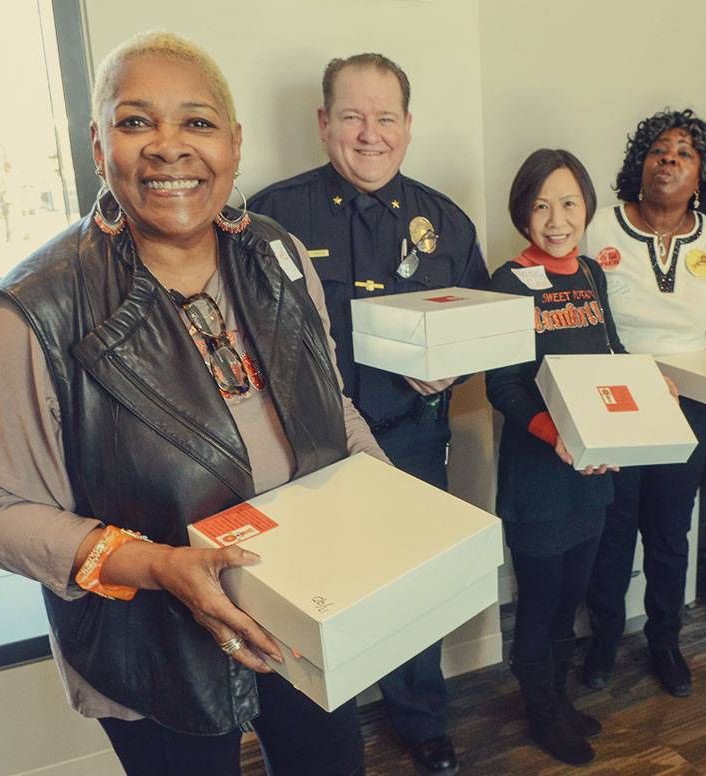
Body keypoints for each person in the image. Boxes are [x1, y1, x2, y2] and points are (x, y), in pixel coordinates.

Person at [0, 32, 376, 775]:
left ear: (234, 145)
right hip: (153, 650)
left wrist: (388, 509)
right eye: (136, 121)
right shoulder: (38, 307)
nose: (169, 148)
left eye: (198, 123)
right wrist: (153, 565)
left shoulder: (279, 255)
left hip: (307, 608)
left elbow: (332, 408)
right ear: (97, 143)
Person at [249, 53, 487, 776]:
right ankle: (322, 734)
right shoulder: (267, 218)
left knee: (407, 592)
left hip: (412, 444)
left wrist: (453, 365)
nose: (369, 133)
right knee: (314, 599)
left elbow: (479, 323)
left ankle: (422, 721)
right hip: (304, 459)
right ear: (323, 124)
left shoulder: (445, 222)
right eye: (352, 116)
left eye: (385, 117)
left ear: (408, 127)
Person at [582, 108, 706, 697]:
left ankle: (665, 640)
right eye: (659, 149)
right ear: (641, 163)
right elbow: (577, 307)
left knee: (671, 531)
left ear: (701, 173)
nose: (670, 158)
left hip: (689, 401)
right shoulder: (599, 227)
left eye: (684, 151)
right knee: (613, 527)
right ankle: (603, 638)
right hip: (615, 399)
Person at [486, 149, 622, 766]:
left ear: (587, 207)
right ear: (523, 212)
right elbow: (504, 384)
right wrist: (556, 434)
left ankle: (558, 700)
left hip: (593, 473)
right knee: (540, 604)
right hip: (540, 477)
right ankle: (541, 712)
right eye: (541, 205)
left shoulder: (591, 274)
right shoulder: (506, 282)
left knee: (572, 598)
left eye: (568, 202)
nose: (556, 218)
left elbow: (612, 353)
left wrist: (649, 389)